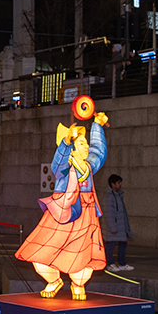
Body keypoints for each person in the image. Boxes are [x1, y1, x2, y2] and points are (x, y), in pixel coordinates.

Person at [15, 114, 109, 300]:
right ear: (72, 150)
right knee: (41, 251)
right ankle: (54, 280)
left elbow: (99, 152)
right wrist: (66, 141)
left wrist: (97, 125)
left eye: (86, 143)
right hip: (61, 214)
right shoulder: (64, 169)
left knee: (83, 254)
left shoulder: (89, 167)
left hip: (85, 215)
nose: (86, 146)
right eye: (81, 143)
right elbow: (57, 164)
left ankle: (78, 284)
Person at [102, 174, 134, 272]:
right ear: (113, 184)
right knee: (111, 244)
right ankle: (110, 264)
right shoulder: (109, 197)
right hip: (113, 226)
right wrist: (113, 228)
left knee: (123, 243)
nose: (120, 184)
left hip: (120, 225)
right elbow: (109, 214)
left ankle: (121, 263)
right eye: (118, 183)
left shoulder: (118, 195)